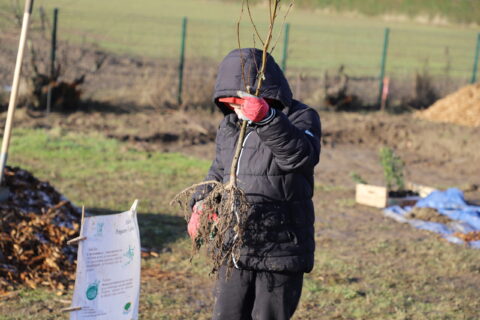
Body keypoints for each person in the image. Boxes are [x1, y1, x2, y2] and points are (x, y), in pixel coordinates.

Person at [189, 48, 321, 320]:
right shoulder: (229, 126)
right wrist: (201, 203)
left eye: (239, 102)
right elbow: (219, 172)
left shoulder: (301, 117)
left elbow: (300, 156)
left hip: (281, 247)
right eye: (229, 103)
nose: (235, 109)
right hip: (237, 243)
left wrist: (268, 120)